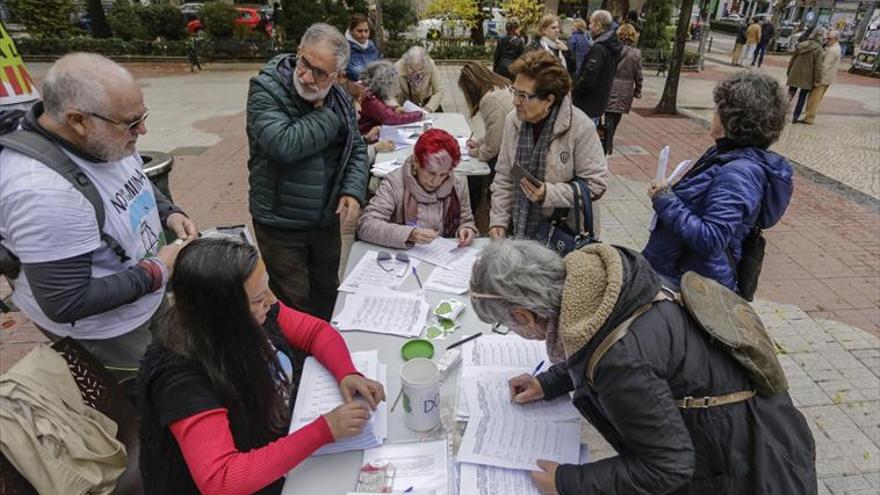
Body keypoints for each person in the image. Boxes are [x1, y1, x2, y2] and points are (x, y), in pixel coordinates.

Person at [468, 240, 817, 495]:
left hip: (749, 468)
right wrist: (550, 382)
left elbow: (669, 466)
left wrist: (568, 482)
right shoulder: (600, 286)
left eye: (507, 326)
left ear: (523, 316)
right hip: (756, 425)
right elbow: (595, 338)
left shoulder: (619, 363)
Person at [0, 53, 196, 388]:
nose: (142, 130)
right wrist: (157, 271)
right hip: (107, 331)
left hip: (145, 293)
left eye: (142, 117)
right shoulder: (43, 194)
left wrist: (168, 212)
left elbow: (134, 179)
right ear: (77, 120)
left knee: (173, 369)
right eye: (132, 123)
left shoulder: (105, 138)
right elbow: (67, 301)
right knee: (147, 395)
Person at [138, 238, 385, 494]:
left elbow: (316, 332)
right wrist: (323, 431)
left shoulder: (253, 312)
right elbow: (221, 479)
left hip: (278, 441)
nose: (270, 300)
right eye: (257, 298)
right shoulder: (180, 378)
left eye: (267, 286)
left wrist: (346, 372)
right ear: (225, 310)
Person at [246, 23, 369, 321]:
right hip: (281, 224)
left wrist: (352, 189)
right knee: (294, 304)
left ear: (338, 76)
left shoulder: (338, 98)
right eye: (304, 63)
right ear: (298, 52)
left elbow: (357, 150)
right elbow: (284, 144)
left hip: (325, 221)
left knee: (328, 292)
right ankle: (298, 364)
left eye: (320, 73)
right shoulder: (266, 89)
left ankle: (326, 351)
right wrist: (325, 116)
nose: (306, 76)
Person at [642, 71, 793, 293]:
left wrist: (665, 200)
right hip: (678, 273)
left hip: (691, 287)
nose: (714, 112)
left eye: (717, 107)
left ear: (731, 118)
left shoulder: (738, 173)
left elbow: (712, 239)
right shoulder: (724, 155)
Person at [488, 50, 608, 241]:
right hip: (521, 230)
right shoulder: (514, 120)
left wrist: (548, 194)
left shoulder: (580, 127)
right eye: (514, 91)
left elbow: (596, 184)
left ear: (549, 100)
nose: (515, 101)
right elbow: (504, 176)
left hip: (565, 234)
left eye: (523, 95)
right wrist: (499, 221)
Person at [357, 129, 477, 248]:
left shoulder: (457, 184)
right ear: (416, 162)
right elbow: (366, 225)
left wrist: (466, 229)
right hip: (403, 256)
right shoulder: (395, 182)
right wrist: (409, 234)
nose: (436, 181)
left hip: (442, 257)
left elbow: (465, 219)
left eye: (443, 174)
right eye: (431, 173)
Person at [458, 62, 514, 217]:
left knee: (474, 178)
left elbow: (492, 147)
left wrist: (475, 152)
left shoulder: (489, 100)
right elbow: (494, 131)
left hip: (507, 157)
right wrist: (480, 142)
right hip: (511, 148)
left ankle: (477, 216)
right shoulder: (500, 86)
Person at [572, 10, 622, 124]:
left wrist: (574, 91)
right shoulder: (612, 45)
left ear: (598, 25)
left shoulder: (599, 48)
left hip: (586, 105)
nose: (588, 27)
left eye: (591, 23)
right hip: (597, 104)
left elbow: (589, 77)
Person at [604, 23, 642, 156]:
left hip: (610, 85)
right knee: (617, 116)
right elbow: (638, 74)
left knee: (608, 114)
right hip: (626, 89)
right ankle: (609, 141)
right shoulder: (635, 54)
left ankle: (607, 141)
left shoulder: (613, 50)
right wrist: (638, 89)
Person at [356, 60, 423, 135]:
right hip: (363, 135)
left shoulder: (366, 89)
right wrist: (419, 114)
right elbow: (391, 118)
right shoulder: (370, 98)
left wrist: (394, 109)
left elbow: (382, 110)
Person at [786, 26, 825, 124]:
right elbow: (818, 66)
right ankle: (795, 117)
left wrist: (789, 71)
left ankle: (782, 111)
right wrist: (817, 80)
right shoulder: (819, 49)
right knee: (802, 97)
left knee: (790, 94)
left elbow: (793, 59)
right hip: (808, 76)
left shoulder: (801, 45)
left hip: (795, 72)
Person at [803, 30, 842, 124]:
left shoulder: (832, 50)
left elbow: (825, 66)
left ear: (835, 39)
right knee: (816, 98)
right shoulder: (834, 47)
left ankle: (809, 118)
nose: (827, 40)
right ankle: (809, 116)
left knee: (814, 99)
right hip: (827, 79)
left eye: (829, 38)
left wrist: (817, 79)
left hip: (823, 79)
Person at [395, 46, 444, 112]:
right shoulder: (397, 69)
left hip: (427, 101)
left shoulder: (430, 66)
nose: (415, 73)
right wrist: (398, 107)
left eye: (420, 70)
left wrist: (428, 108)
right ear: (405, 63)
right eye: (411, 69)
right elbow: (393, 94)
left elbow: (439, 91)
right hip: (407, 104)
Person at [344, 13, 382, 81]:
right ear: (351, 30)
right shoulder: (344, 49)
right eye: (359, 31)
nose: (363, 34)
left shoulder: (372, 47)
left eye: (366, 31)